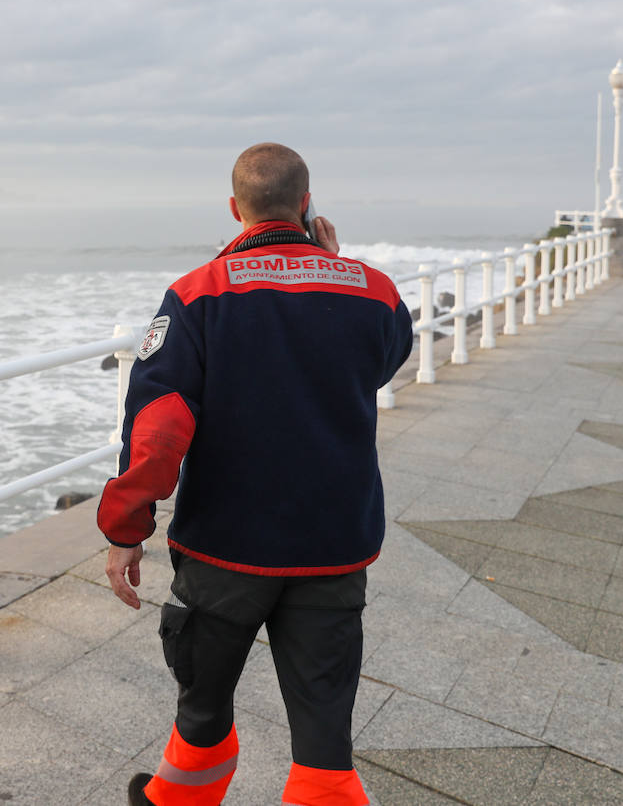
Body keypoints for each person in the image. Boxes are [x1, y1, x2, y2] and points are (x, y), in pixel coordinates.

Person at [99, 143, 413, 806]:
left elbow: (158, 430)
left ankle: (178, 798)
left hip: (225, 548)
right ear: (306, 204)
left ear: (235, 210)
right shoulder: (374, 291)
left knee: (204, 714)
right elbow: (376, 365)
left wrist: (127, 526)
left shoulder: (198, 294)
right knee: (326, 743)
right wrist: (329, 267)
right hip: (333, 548)